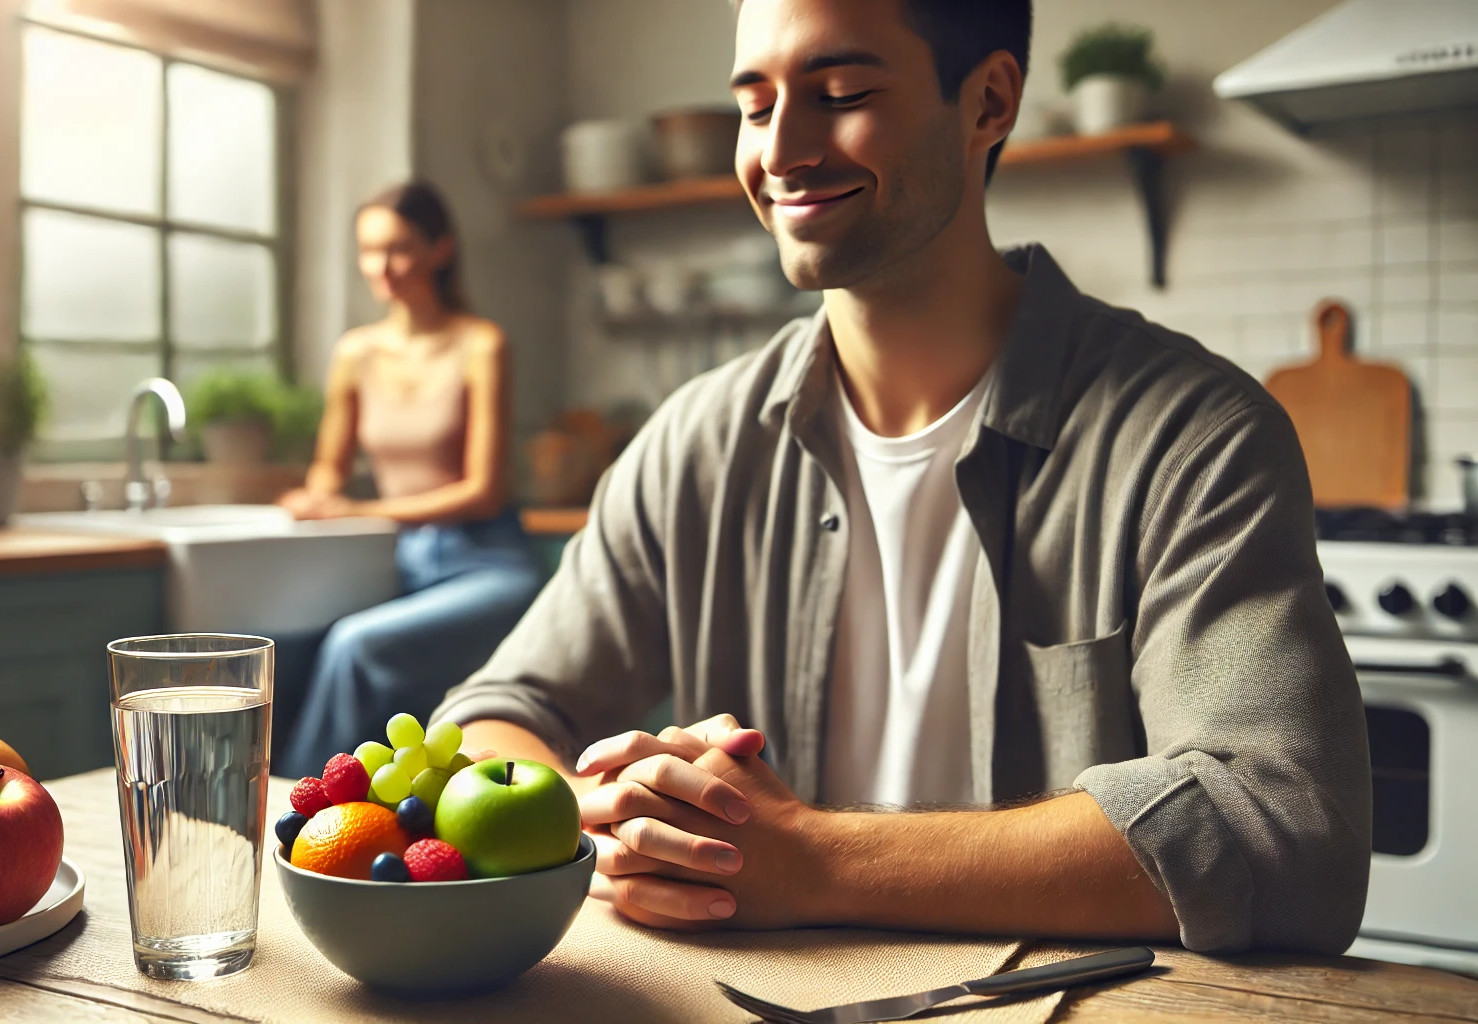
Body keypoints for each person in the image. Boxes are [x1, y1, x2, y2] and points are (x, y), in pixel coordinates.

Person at [433, 0, 1370, 954]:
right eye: (754, 109)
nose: (781, 150)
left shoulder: (1194, 437)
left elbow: (1287, 831)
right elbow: (494, 715)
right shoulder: (694, 442)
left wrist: (812, 861)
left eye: (841, 94)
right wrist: (623, 817)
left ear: (988, 102)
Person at [278, 182, 544, 779]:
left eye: (398, 249)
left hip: (486, 565)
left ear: (440, 249)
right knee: (291, 642)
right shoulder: (356, 352)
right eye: (369, 251)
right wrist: (316, 497)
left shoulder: (481, 343)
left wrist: (353, 511)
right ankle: (346, 821)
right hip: (395, 561)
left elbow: (485, 490)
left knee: (354, 645)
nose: (382, 267)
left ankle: (291, 806)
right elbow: (329, 468)